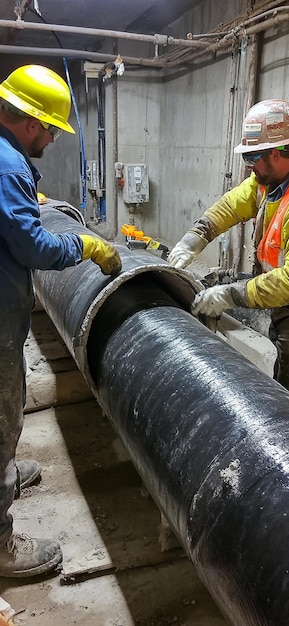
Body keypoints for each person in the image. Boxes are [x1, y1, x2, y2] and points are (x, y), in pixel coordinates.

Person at [0, 64, 121, 578]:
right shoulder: (7, 167)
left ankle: (6, 466)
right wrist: (85, 242)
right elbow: (34, 246)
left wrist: (30, 202)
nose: (51, 138)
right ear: (30, 123)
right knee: (0, 417)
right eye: (51, 129)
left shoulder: (8, 164)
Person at [169, 99, 289, 434]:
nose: (249, 166)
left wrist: (230, 295)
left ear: (278, 152)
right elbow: (234, 204)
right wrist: (196, 237)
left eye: (253, 157)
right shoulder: (272, 179)